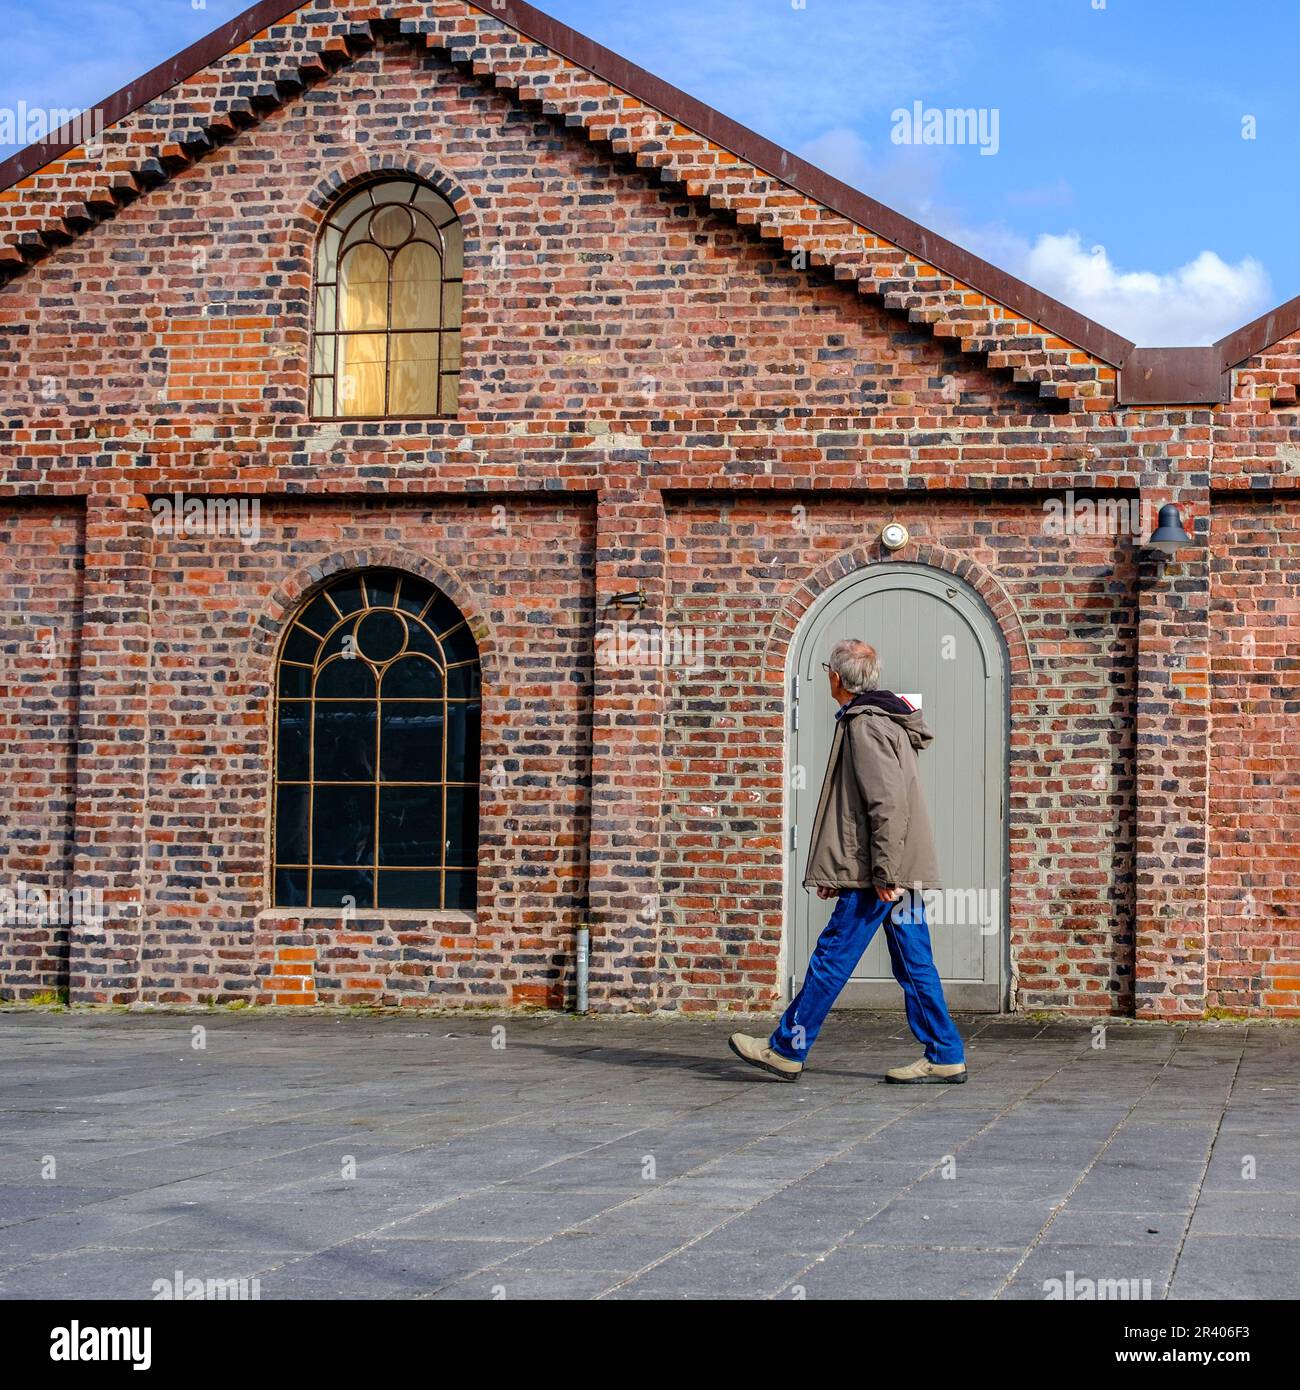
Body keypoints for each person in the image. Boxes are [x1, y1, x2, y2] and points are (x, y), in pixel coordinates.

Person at [729, 638, 967, 1084]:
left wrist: (883, 873)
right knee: (914, 963)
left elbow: (886, 805)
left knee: (832, 956)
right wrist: (843, 871)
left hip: (879, 873)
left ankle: (786, 1048)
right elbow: (860, 810)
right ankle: (945, 1052)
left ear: (836, 677)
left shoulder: (865, 724)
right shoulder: (884, 720)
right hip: (884, 868)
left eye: (826, 671)